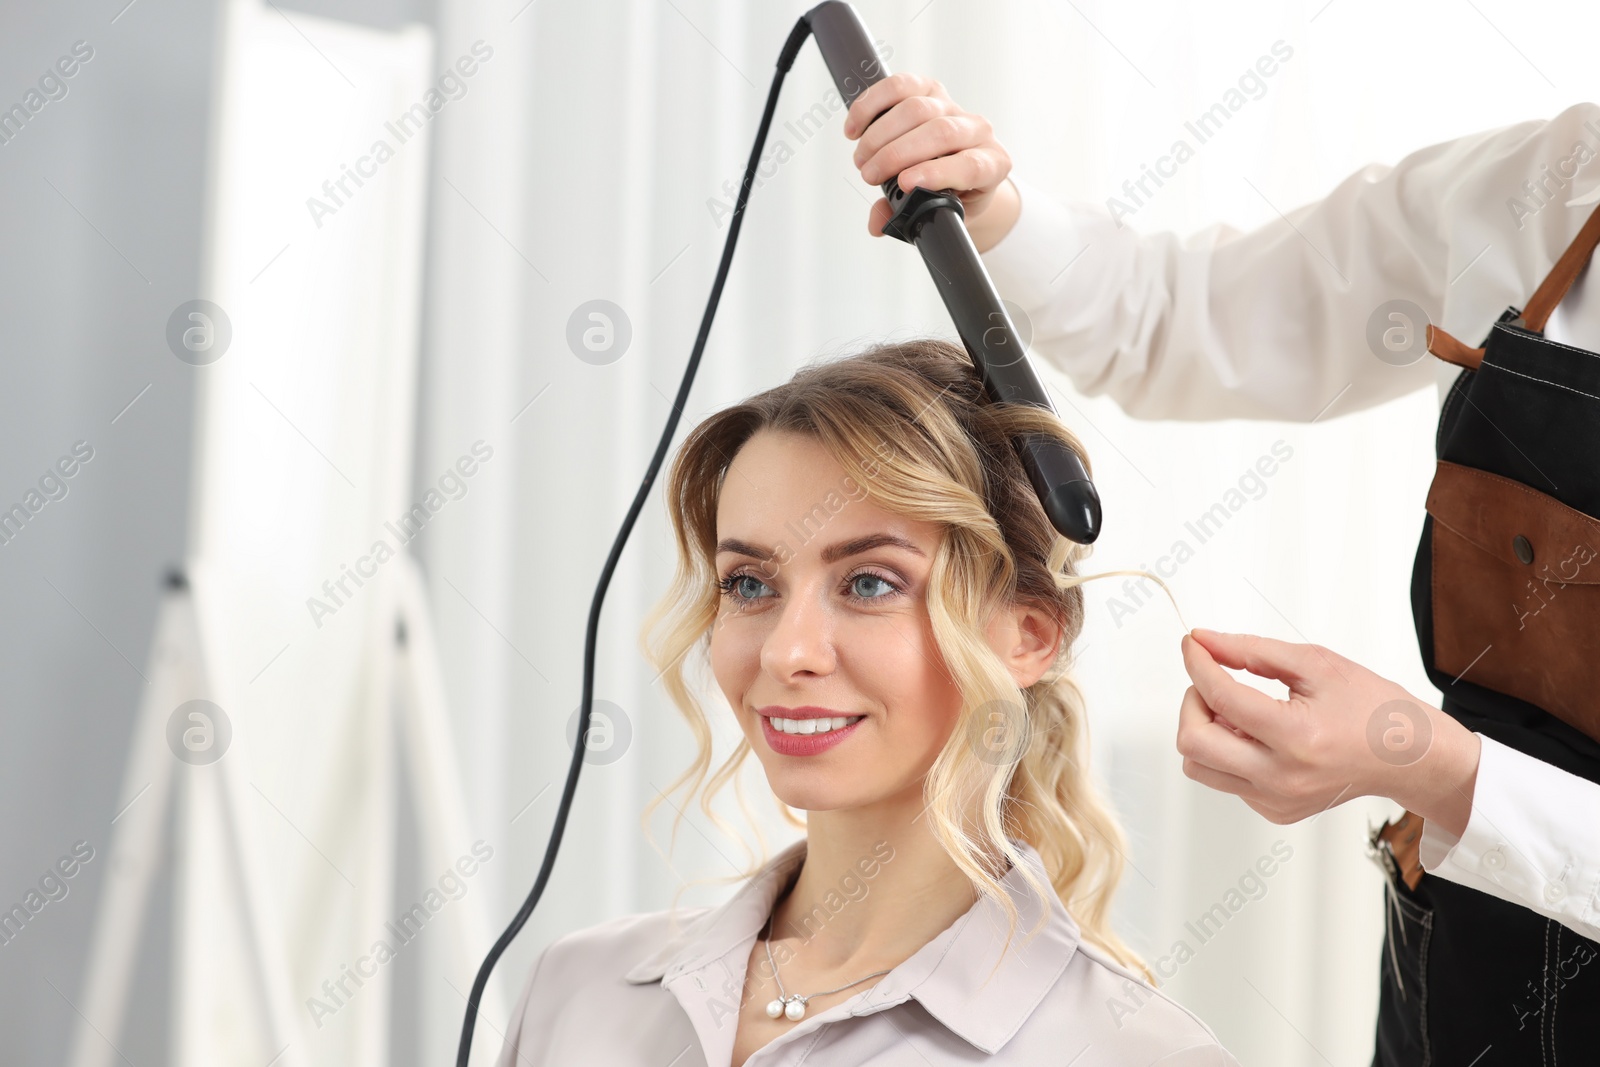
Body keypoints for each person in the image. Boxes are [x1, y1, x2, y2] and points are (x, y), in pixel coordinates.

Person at [840, 74, 1600, 1062]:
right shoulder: (1556, 185)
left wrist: (1432, 766)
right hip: (1468, 967)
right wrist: (994, 212)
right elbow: (1172, 318)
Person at [495, 339, 1240, 1065]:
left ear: (1028, 637)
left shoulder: (1135, 1052)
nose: (788, 651)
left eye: (869, 583)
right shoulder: (575, 992)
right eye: (750, 584)